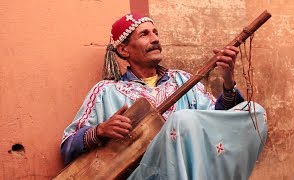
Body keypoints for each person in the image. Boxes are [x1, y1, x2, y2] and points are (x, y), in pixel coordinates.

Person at [60, 13, 267, 179]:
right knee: (182, 119)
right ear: (123, 50)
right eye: (145, 34)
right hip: (143, 174)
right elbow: (67, 146)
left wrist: (228, 81)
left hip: (196, 170)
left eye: (155, 32)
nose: (155, 39)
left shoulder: (183, 80)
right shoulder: (106, 91)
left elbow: (216, 125)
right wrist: (100, 130)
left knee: (254, 114)